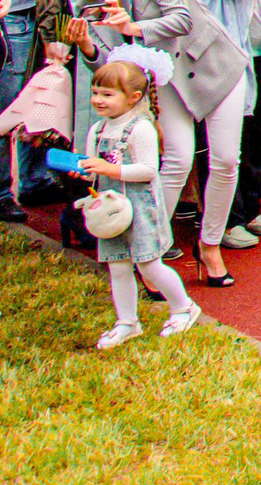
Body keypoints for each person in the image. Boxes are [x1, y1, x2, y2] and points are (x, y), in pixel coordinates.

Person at [76, 53, 201, 347]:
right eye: (95, 93)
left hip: (141, 207)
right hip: (111, 211)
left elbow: (148, 170)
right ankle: (127, 321)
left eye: (107, 94)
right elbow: (94, 166)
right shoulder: (97, 129)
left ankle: (184, 307)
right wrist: (86, 173)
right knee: (118, 265)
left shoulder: (141, 127)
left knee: (149, 265)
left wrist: (108, 168)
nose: (98, 100)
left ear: (133, 97)